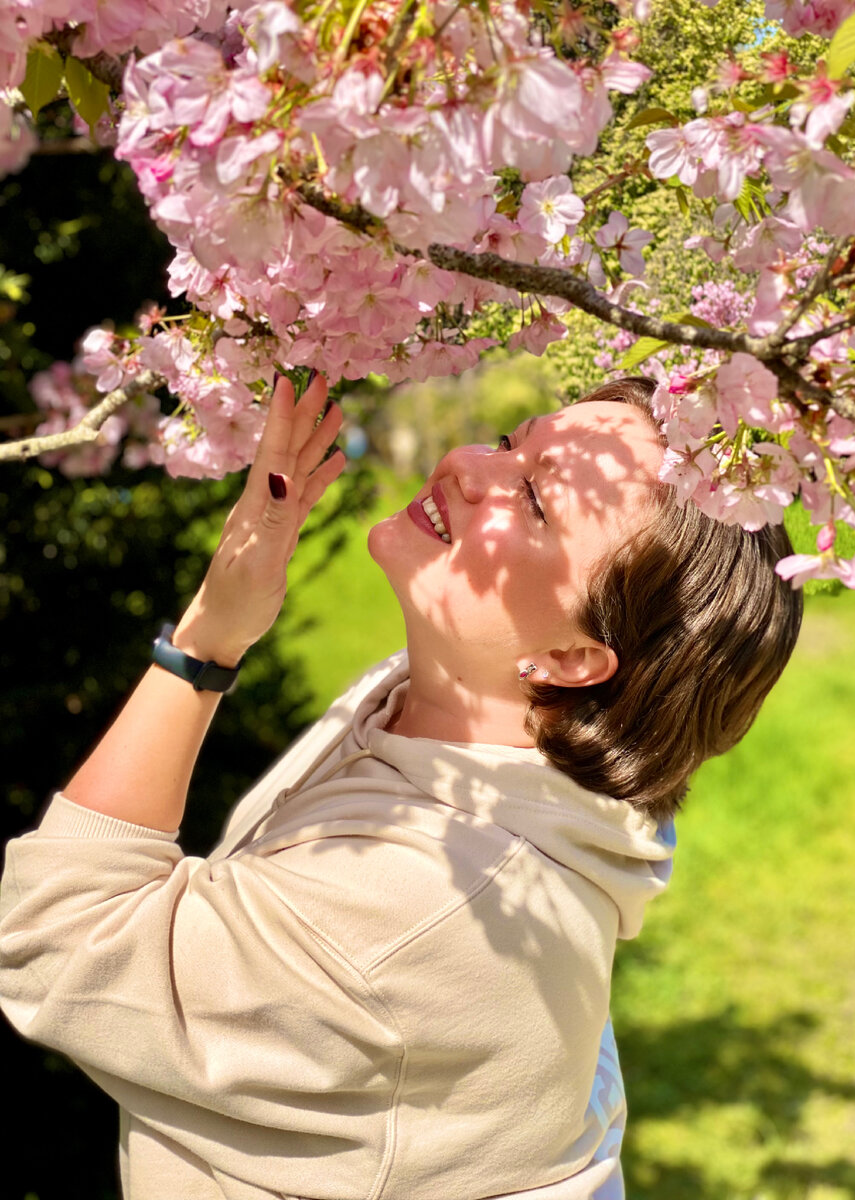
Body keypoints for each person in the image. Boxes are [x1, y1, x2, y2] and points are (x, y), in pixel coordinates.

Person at [0, 373, 802, 1200]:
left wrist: (208, 640)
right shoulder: (461, 719)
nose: (464, 464)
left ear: (570, 661)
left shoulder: (425, 898)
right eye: (508, 442)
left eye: (532, 502)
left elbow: (54, 935)